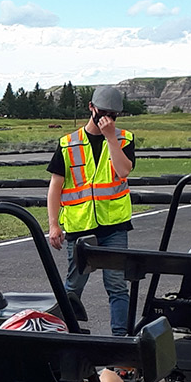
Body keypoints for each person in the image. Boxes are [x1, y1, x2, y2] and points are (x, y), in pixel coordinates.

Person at [46, 86, 136, 335]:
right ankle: (60, 334)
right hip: (79, 227)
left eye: (113, 115)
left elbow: (123, 171)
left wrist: (110, 138)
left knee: (116, 285)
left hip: (113, 226)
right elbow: (56, 186)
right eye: (103, 113)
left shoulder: (124, 139)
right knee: (73, 285)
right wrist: (54, 225)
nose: (108, 119)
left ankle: (121, 341)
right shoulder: (68, 144)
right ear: (91, 108)